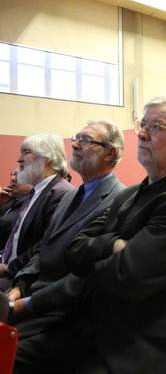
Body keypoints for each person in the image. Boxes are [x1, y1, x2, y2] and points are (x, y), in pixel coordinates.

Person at [14, 97, 166, 374]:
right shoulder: (130, 194)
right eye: (142, 124)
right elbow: (73, 250)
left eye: (155, 127)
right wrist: (113, 245)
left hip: (147, 339)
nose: (141, 133)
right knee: (11, 353)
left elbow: (126, 278)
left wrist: (97, 253)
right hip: (100, 326)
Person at [7, 119, 125, 345]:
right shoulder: (71, 196)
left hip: (65, 313)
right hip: (34, 296)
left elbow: (89, 274)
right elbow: (44, 248)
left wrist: (28, 303)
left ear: (110, 153)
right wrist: (19, 287)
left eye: (86, 140)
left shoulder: (119, 200)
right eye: (76, 138)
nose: (76, 145)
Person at [0, 133, 74, 292]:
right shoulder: (37, 191)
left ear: (47, 158)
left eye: (26, 152)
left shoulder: (60, 193)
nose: (19, 159)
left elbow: (46, 246)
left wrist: (8, 268)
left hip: (23, 280)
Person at [0, 170, 33, 249]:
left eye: (20, 175)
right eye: (13, 174)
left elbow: (2, 224)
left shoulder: (28, 202)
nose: (13, 178)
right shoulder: (13, 199)